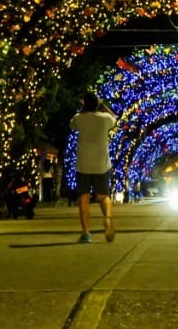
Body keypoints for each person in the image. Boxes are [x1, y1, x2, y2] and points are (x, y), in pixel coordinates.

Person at [70, 91, 118, 243]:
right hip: (101, 163)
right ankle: (108, 218)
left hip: (83, 163)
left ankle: (86, 233)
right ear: (97, 104)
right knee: (103, 196)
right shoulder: (105, 118)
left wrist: (83, 109)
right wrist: (103, 105)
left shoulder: (79, 118)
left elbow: (72, 125)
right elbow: (115, 119)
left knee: (83, 198)